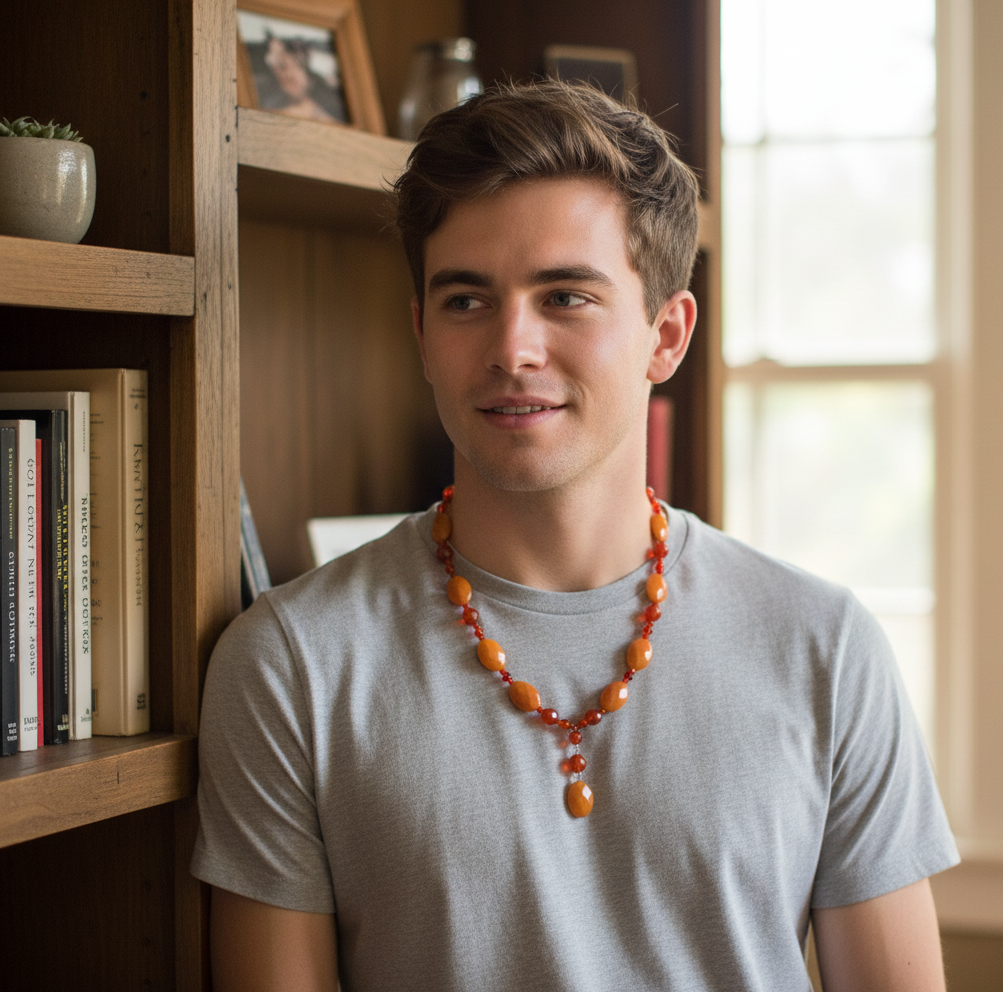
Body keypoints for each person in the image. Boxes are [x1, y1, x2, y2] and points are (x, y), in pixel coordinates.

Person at [192, 80, 959, 991]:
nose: (513, 347)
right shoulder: (289, 664)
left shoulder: (826, 648)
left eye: (565, 297)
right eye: (467, 301)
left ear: (665, 336)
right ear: (422, 334)